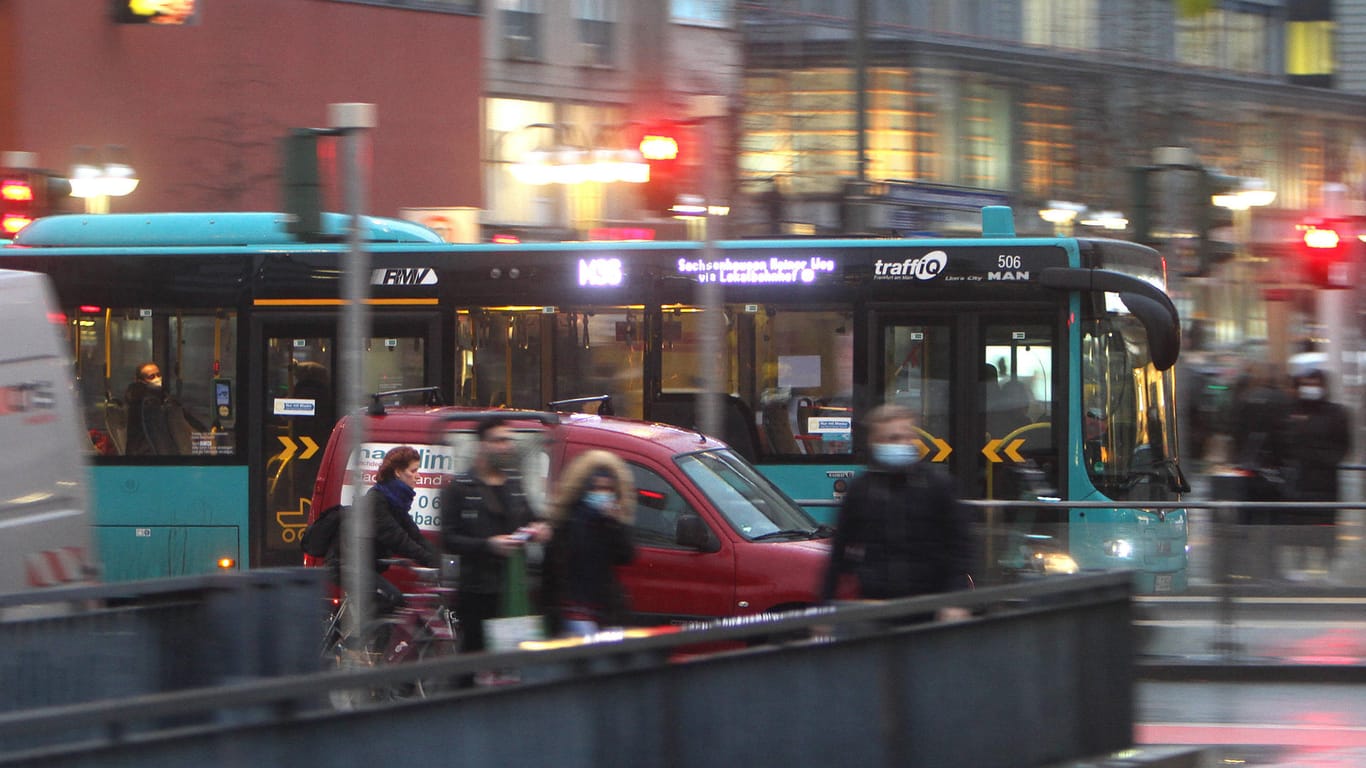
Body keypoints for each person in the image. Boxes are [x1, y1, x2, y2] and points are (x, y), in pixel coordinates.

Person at [821, 404, 975, 622]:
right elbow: (838, 554)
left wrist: (956, 600)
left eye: (906, 436)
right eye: (892, 438)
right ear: (874, 442)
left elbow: (961, 546)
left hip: (931, 608)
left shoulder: (937, 485)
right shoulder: (860, 491)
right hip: (876, 608)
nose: (902, 443)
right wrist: (825, 608)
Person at [440, 419, 549, 654]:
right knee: (473, 663)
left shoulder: (514, 485)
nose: (506, 446)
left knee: (512, 664)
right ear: (482, 445)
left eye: (508, 440)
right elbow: (448, 538)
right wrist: (488, 545)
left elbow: (533, 517)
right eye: (499, 440)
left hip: (513, 589)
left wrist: (540, 529)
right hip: (477, 592)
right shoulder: (461, 487)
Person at [539, 450, 637, 638]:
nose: (603, 494)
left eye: (608, 489)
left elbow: (627, 555)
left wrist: (614, 524)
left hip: (602, 610)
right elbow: (553, 570)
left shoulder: (610, 523)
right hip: (573, 609)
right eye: (598, 488)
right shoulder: (569, 521)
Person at [333, 445, 440, 615]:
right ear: (398, 472)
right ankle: (359, 640)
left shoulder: (396, 502)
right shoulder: (377, 501)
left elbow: (415, 536)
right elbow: (397, 538)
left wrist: (441, 559)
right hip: (346, 564)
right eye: (413, 471)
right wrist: (430, 561)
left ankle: (374, 637)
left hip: (367, 565)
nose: (418, 476)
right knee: (393, 598)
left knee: (393, 605)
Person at [1276, 369, 1350, 579]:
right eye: (1306, 384)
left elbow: (1344, 445)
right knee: (1299, 524)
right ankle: (1301, 564)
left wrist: (1325, 458)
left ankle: (1328, 566)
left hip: (1325, 480)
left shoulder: (1336, 413)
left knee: (1326, 524)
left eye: (1315, 383)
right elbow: (1284, 442)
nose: (1311, 388)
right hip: (1299, 480)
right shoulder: (1292, 411)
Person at [124, 362, 186, 455]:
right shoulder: (146, 402)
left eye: (158, 375)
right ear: (140, 381)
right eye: (151, 376)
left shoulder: (159, 398)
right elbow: (159, 439)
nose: (157, 379)